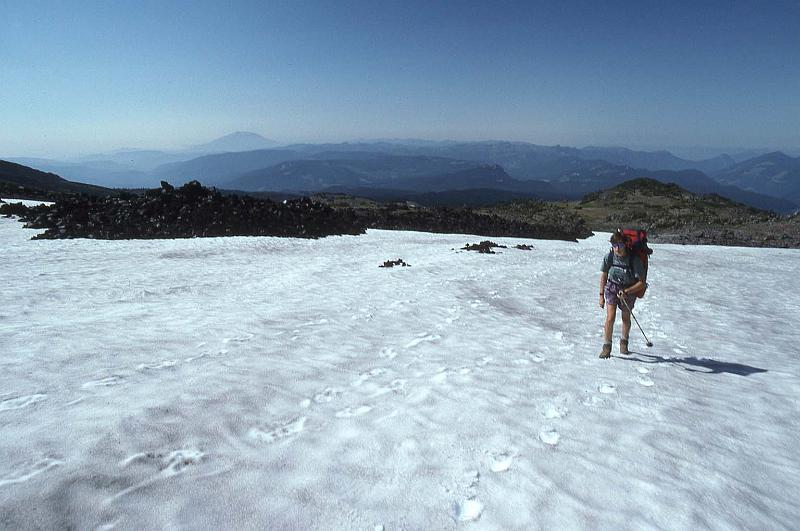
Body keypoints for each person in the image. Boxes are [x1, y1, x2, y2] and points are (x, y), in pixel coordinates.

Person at [598, 229, 647, 358]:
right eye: (614, 246)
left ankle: (624, 343)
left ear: (625, 244)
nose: (617, 249)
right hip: (612, 288)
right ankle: (606, 347)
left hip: (629, 289)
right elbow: (603, 275)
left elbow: (642, 283)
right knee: (610, 317)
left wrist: (627, 291)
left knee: (625, 317)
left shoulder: (634, 260)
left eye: (619, 245)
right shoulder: (609, 256)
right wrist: (601, 296)